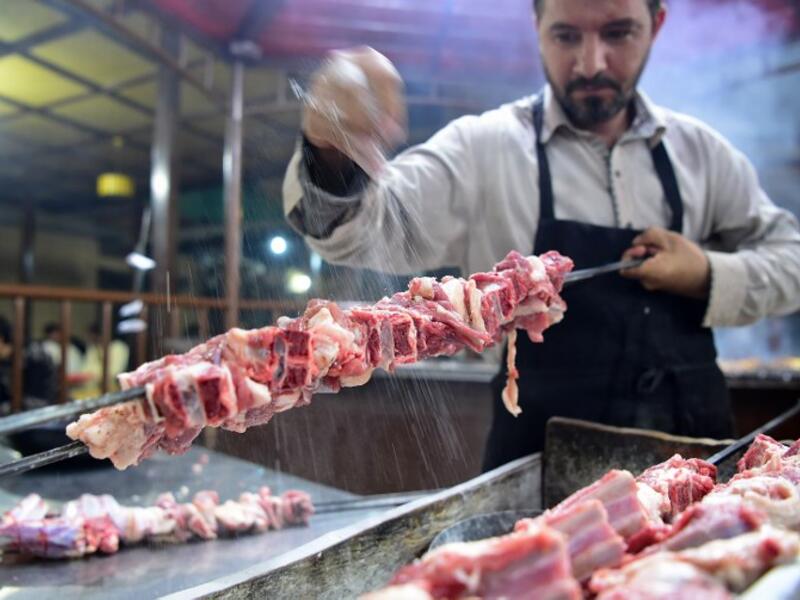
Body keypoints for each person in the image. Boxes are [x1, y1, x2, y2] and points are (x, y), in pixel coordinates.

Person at [282, 0, 800, 469]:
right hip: (540, 476)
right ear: (537, 28)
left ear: (656, 25)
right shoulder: (484, 148)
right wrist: (332, 151)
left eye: (618, 34)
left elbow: (791, 260)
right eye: (566, 36)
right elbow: (355, 230)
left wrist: (710, 273)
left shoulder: (702, 154)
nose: (591, 63)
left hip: (694, 460)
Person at [73, 323, 130, 400]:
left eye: (90, 335)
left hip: (112, 389)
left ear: (99, 335)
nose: (87, 338)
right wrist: (82, 376)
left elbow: (114, 371)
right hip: (91, 390)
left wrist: (91, 375)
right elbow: (85, 368)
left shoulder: (118, 347)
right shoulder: (93, 347)